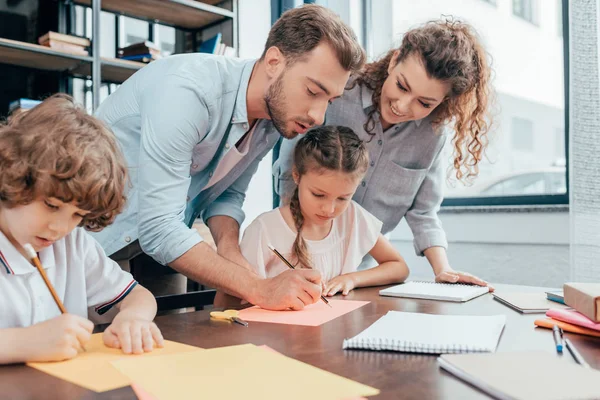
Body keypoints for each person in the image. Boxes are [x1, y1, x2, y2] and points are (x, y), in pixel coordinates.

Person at [91, 4, 366, 310]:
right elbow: (158, 227)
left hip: (164, 243)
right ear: (274, 61)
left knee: (171, 343)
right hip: (99, 239)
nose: (318, 115)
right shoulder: (189, 92)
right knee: (105, 347)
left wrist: (231, 252)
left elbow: (227, 195)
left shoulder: (274, 118)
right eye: (313, 91)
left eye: (329, 99)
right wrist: (258, 287)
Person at [275, 19, 495, 288]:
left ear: (443, 102)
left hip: (367, 272)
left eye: (424, 103)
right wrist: (294, 241)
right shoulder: (339, 93)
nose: (403, 106)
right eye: (402, 86)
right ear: (393, 62)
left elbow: (423, 212)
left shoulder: (431, 136)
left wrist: (443, 269)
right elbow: (289, 171)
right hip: (298, 251)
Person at [0, 95, 164, 364]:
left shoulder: (73, 244)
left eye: (77, 214)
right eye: (51, 205)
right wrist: (24, 343)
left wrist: (132, 318)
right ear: (12, 176)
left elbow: (138, 296)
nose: (59, 228)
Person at [241, 126, 409, 299]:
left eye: (343, 198)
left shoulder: (353, 217)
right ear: (296, 175)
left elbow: (399, 267)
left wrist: (352, 279)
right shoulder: (265, 229)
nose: (329, 209)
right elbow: (230, 298)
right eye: (318, 195)